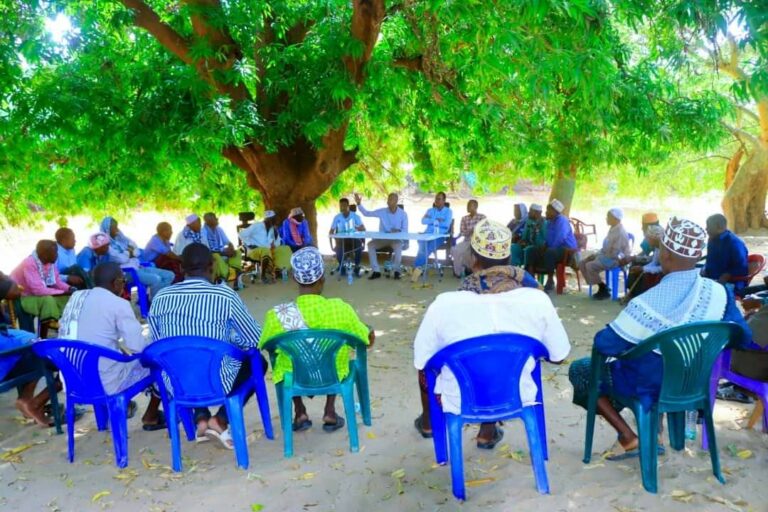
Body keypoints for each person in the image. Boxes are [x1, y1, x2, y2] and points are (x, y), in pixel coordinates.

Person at [568, 217, 752, 460]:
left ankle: (629, 436)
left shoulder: (649, 299)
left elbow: (605, 344)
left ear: (664, 254)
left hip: (649, 385)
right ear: (697, 257)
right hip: (694, 384)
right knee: (656, 360)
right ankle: (653, 433)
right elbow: (742, 337)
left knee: (582, 370)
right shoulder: (720, 294)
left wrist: (630, 331)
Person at [413, 219, 570, 448]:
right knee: (501, 362)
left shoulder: (445, 304)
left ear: (474, 259)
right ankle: (487, 431)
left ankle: (428, 423)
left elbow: (421, 358)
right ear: (508, 258)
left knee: (426, 367)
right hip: (516, 392)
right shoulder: (536, 299)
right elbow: (559, 356)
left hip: (459, 398)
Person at [148, 244, 264, 449]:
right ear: (212, 266)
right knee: (258, 362)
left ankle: (200, 418)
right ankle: (220, 419)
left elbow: (158, 346)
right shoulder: (224, 295)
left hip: (177, 383)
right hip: (218, 380)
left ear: (182, 268)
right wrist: (230, 340)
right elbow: (254, 339)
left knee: (188, 361)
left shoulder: (160, 298)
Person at [260, 247, 373, 433]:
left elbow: (265, 344)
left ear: (295, 279)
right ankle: (329, 410)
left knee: (286, 359)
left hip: (296, 376)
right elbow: (364, 339)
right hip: (332, 374)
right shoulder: (339, 309)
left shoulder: (277, 315)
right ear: (322, 277)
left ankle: (299, 411)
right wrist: (369, 333)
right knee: (333, 356)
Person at [58, 263, 165, 430]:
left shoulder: (75, 298)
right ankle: (151, 416)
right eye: (123, 281)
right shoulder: (118, 304)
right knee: (159, 363)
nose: (124, 285)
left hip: (72, 380)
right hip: (105, 383)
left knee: (110, 355)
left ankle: (108, 417)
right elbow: (138, 347)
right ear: (115, 282)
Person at [0, 272, 56, 426]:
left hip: (6, 349)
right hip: (4, 363)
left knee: (34, 344)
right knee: (54, 357)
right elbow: (16, 290)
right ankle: (34, 402)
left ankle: (28, 400)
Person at [11, 240, 75, 339]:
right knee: (48, 300)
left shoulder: (49, 264)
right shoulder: (29, 263)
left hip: (36, 295)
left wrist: (69, 288)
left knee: (68, 297)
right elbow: (38, 290)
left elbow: (56, 282)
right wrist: (63, 292)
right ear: (45, 255)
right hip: (22, 297)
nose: (57, 255)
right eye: (55, 252)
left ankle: (63, 327)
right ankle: (46, 336)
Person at [100, 216, 174, 299]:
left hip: (138, 267)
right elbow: (122, 259)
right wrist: (129, 252)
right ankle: (155, 303)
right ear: (107, 229)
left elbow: (137, 252)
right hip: (126, 273)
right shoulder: (107, 245)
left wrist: (127, 253)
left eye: (116, 227)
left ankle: (159, 298)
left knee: (170, 275)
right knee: (156, 279)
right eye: (113, 228)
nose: (117, 230)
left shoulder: (122, 239)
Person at [525, 199, 577, 292]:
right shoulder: (549, 222)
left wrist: (547, 247)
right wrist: (543, 245)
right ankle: (530, 279)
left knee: (550, 252)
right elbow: (546, 238)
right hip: (553, 248)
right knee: (531, 250)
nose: (546, 213)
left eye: (548, 211)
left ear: (554, 212)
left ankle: (550, 280)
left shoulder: (562, 220)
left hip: (566, 250)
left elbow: (559, 238)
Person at [578, 208, 631, 300]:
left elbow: (615, 252)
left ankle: (602, 288)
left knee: (590, 265)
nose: (606, 219)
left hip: (616, 260)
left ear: (616, 219)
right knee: (582, 263)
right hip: (607, 256)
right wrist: (596, 255)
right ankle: (602, 287)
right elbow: (606, 248)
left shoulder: (620, 232)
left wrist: (598, 257)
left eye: (609, 217)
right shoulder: (612, 229)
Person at [354, 192, 409, 280]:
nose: (388, 202)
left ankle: (397, 271)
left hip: (396, 239)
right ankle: (376, 271)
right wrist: (359, 204)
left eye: (390, 199)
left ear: (396, 201)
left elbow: (405, 231)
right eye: (388, 199)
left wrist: (398, 231)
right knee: (370, 245)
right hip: (383, 239)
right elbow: (367, 213)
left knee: (398, 246)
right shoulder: (382, 211)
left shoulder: (403, 214)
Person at [239, 210, 292, 283]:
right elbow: (241, 234)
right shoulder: (257, 226)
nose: (273, 221)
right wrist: (249, 244)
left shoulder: (272, 229)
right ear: (266, 219)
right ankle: (263, 276)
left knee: (285, 248)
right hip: (254, 251)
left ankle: (281, 269)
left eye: (273, 219)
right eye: (271, 219)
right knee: (266, 251)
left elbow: (276, 243)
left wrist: (276, 236)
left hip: (268, 250)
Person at [412, 192, 453, 282]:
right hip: (427, 234)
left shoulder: (448, 211)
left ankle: (415, 268)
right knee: (422, 246)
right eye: (436, 198)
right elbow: (423, 221)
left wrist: (430, 221)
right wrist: (435, 220)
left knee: (428, 248)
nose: (436, 201)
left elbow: (446, 225)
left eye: (439, 199)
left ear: (444, 200)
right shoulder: (430, 210)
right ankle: (419, 268)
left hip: (440, 236)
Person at [703, 213, 749, 295]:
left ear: (719, 227)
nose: (706, 229)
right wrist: (704, 269)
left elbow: (742, 267)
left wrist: (725, 276)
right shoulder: (712, 239)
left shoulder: (734, 243)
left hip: (732, 282)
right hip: (712, 278)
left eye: (709, 226)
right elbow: (710, 260)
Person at [623, 224, 665, 302]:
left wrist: (643, 269)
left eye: (648, 238)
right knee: (636, 268)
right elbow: (654, 263)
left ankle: (641, 298)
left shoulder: (664, 250)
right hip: (658, 269)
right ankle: (632, 294)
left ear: (654, 239)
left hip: (664, 273)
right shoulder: (657, 248)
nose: (647, 240)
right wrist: (642, 268)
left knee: (645, 275)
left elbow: (662, 268)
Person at [200, 212, 242, 286]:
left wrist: (231, 248)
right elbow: (207, 250)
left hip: (221, 252)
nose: (217, 219)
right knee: (216, 255)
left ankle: (235, 272)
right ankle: (227, 275)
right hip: (211, 254)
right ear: (209, 221)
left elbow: (227, 241)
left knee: (237, 252)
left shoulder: (219, 229)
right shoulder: (203, 232)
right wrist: (224, 253)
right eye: (215, 218)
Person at [329, 198, 366, 276]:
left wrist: (357, 228)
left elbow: (363, 229)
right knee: (339, 248)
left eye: (344, 206)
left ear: (348, 206)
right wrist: (332, 233)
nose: (342, 208)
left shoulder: (355, 216)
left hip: (353, 239)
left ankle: (357, 266)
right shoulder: (337, 217)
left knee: (359, 245)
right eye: (340, 206)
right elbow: (331, 231)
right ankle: (341, 266)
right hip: (342, 241)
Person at [450, 199, 487, 277]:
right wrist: (471, 230)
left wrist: (472, 231)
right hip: (467, 240)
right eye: (467, 205)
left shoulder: (482, 217)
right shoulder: (464, 218)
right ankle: (458, 272)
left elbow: (484, 230)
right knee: (455, 250)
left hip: (478, 242)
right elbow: (462, 231)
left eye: (470, 205)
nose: (467, 207)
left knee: (471, 254)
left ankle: (470, 269)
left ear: (476, 207)